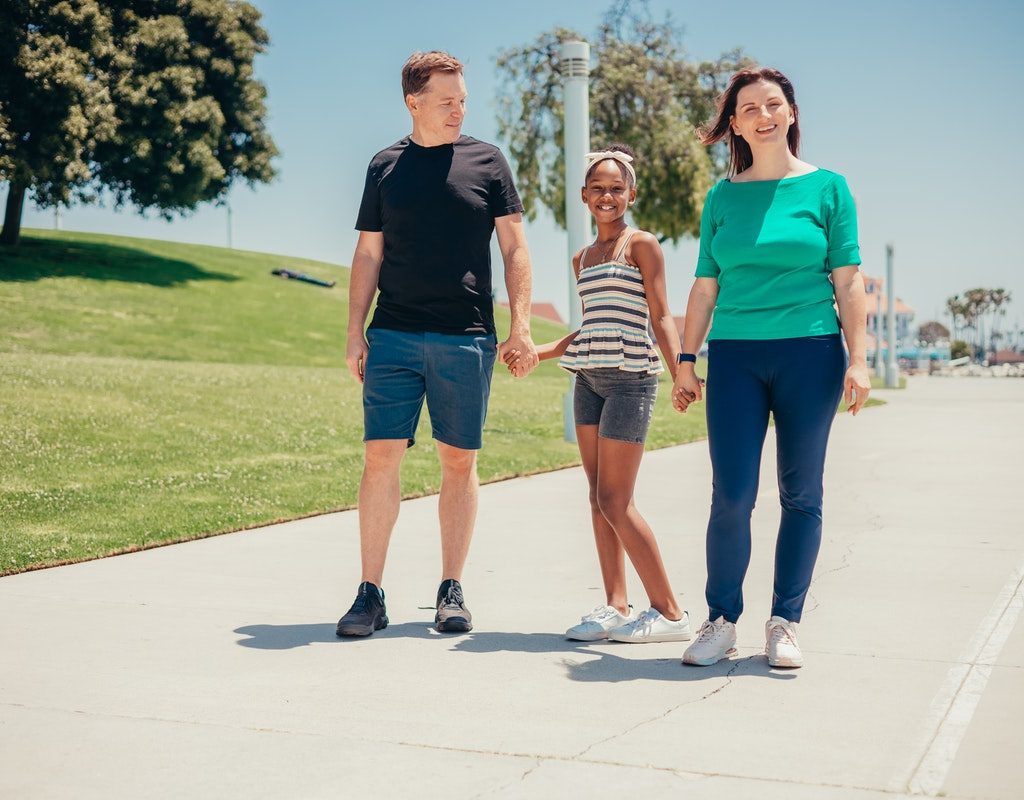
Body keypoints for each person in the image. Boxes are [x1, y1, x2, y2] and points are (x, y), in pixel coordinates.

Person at [336, 51, 539, 638]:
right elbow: (368, 253)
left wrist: (521, 325)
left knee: (459, 461)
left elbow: (515, 249)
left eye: (463, 100)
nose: (458, 109)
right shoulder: (384, 167)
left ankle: (451, 587)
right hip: (393, 333)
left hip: (467, 336)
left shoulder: (488, 161)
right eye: (446, 100)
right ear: (414, 101)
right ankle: (370, 593)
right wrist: (354, 331)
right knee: (380, 458)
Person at [672, 67, 869, 668]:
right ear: (734, 123)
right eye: (749, 107)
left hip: (810, 352)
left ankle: (784, 621)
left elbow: (848, 280)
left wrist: (857, 358)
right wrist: (686, 357)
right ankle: (721, 620)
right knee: (731, 494)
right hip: (734, 355)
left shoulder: (828, 189)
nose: (763, 114)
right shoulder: (721, 197)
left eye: (774, 104)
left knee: (801, 493)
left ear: (790, 113)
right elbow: (705, 287)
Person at [506, 144, 691, 644]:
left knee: (616, 499)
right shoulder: (582, 258)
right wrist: (534, 352)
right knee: (597, 497)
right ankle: (615, 605)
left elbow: (660, 316)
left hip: (632, 381)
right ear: (585, 196)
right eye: (598, 189)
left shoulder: (642, 244)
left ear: (631, 193)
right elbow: (589, 329)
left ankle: (670, 613)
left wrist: (681, 372)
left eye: (616, 188)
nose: (607, 196)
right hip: (587, 380)